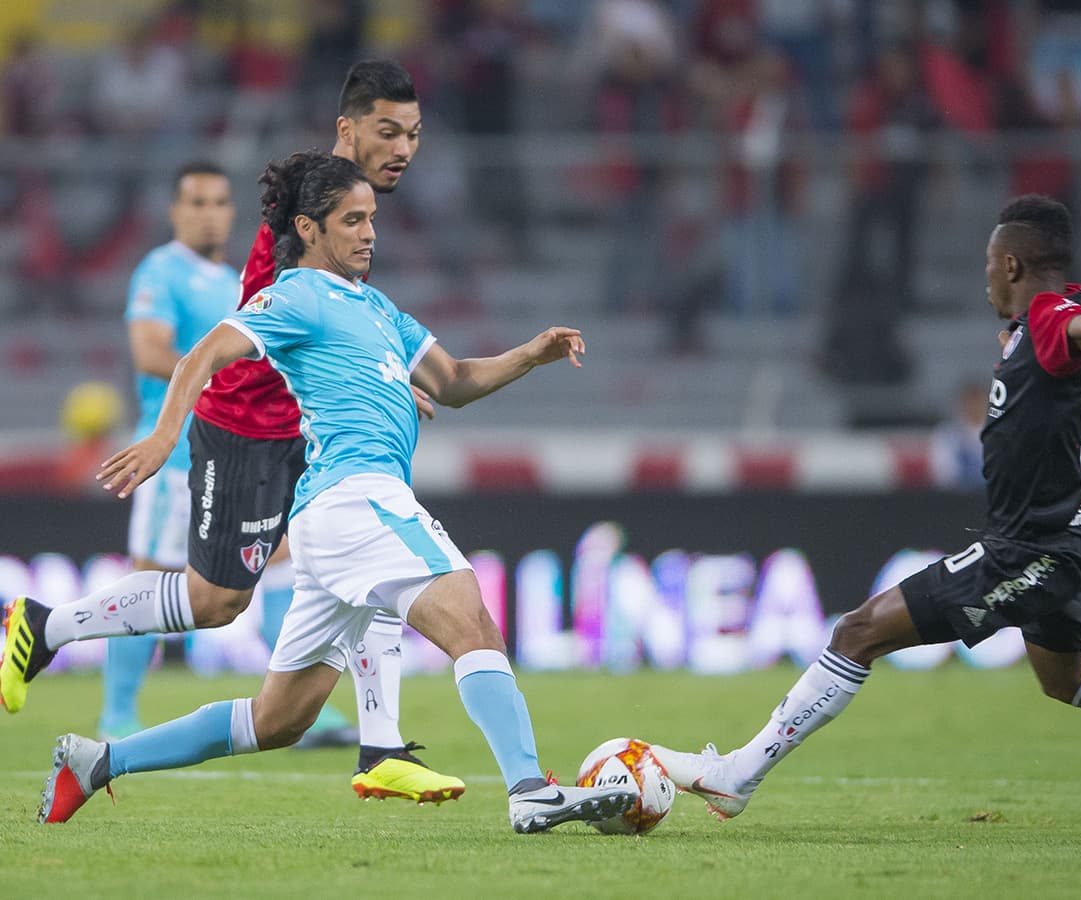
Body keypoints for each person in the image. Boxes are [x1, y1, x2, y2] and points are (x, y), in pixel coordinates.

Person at [34, 150, 638, 832]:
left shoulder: (380, 308)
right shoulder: (293, 294)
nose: (369, 232)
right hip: (358, 497)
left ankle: (97, 762)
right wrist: (164, 438)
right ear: (310, 228)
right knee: (471, 618)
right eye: (352, 220)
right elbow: (202, 354)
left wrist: (532, 353)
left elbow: (456, 380)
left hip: (333, 519)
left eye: (372, 218)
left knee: (276, 719)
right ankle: (530, 788)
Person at [650, 195, 1081, 842]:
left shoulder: (1051, 319)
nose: (982, 276)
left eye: (987, 263)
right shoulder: (1031, 324)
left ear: (1009, 264)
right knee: (1065, 678)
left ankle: (738, 775)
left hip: (1033, 548)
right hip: (1065, 539)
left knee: (858, 631)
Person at [1, 60, 459, 803]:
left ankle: (380, 747)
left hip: (303, 431)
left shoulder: (346, 206)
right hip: (247, 426)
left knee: (366, 556)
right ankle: (49, 627)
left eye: (412, 133)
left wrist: (385, 375)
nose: (403, 147)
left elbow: (333, 320)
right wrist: (159, 437)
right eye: (386, 132)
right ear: (346, 131)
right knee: (218, 602)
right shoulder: (316, 205)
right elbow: (247, 331)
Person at [106, 162, 241, 739]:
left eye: (218, 202)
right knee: (150, 577)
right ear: (175, 211)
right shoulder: (160, 270)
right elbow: (150, 352)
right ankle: (116, 710)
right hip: (174, 456)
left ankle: (300, 705)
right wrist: (225, 382)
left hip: (234, 454)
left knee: (290, 559)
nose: (208, 213)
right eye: (196, 202)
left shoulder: (237, 281)